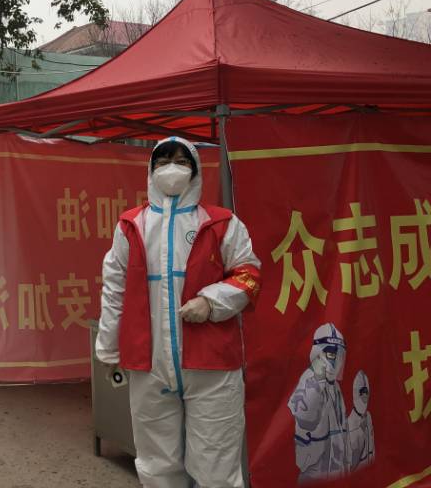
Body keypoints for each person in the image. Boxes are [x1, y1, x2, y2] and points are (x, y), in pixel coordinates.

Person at [95, 136, 262, 488]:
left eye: (182, 161)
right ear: (151, 169)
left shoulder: (222, 223)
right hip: (149, 363)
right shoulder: (132, 225)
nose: (172, 168)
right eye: (163, 160)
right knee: (157, 465)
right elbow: (114, 289)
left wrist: (211, 301)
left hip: (211, 364)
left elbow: (249, 274)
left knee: (216, 466)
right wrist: (108, 349)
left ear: (196, 169)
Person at [288, 323, 352, 482]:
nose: (336, 360)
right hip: (314, 471)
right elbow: (306, 419)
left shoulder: (335, 386)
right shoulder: (308, 380)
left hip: (337, 469)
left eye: (339, 354)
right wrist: (317, 382)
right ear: (318, 352)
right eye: (331, 354)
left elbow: (342, 427)